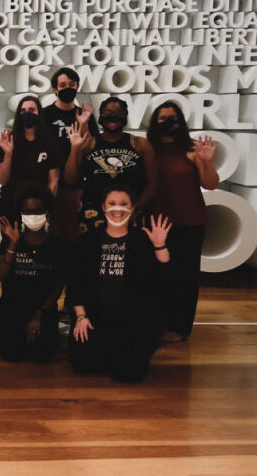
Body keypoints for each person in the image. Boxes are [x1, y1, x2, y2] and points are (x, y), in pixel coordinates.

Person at [67, 185, 172, 382]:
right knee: (81, 364)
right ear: (103, 207)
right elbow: (75, 283)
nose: (118, 209)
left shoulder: (142, 239)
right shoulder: (87, 240)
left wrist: (159, 245)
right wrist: (81, 317)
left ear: (132, 208)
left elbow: (162, 278)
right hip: (95, 314)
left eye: (124, 204)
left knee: (130, 373)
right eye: (112, 203)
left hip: (130, 318)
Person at [147, 101, 219, 342]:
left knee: (185, 277)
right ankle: (159, 322)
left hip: (189, 222)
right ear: (155, 123)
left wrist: (206, 161)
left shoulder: (191, 150)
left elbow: (210, 183)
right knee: (158, 277)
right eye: (162, 118)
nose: (167, 121)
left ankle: (180, 327)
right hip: (157, 225)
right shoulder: (149, 150)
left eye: (172, 117)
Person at [0, 185, 66, 363]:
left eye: (38, 211)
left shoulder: (56, 245)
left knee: (43, 357)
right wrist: (12, 244)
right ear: (21, 213)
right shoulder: (10, 241)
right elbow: (1, 276)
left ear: (47, 213)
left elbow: (58, 286)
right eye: (28, 211)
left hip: (43, 310)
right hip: (12, 310)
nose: (33, 216)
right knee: (11, 355)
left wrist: (37, 317)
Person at [65, 97, 157, 232]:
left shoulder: (140, 144)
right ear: (100, 116)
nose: (113, 116)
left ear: (125, 115)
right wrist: (75, 149)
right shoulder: (88, 144)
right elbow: (70, 178)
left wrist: (135, 208)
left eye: (118, 112)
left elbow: (152, 182)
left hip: (130, 211)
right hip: (94, 212)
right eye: (108, 112)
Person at [40, 68, 99, 240]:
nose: (68, 88)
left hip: (77, 183)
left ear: (77, 87)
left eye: (72, 85)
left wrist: (84, 125)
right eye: (63, 85)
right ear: (54, 89)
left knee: (75, 234)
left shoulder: (85, 115)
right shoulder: (45, 114)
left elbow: (92, 146)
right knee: (52, 233)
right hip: (50, 182)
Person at [0, 95, 61, 223]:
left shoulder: (50, 142)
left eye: (31, 110)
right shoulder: (9, 140)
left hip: (38, 206)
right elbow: (3, 180)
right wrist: (8, 154)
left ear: (39, 113)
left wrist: (48, 207)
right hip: (10, 202)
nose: (27, 114)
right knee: (10, 242)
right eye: (23, 111)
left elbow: (53, 180)